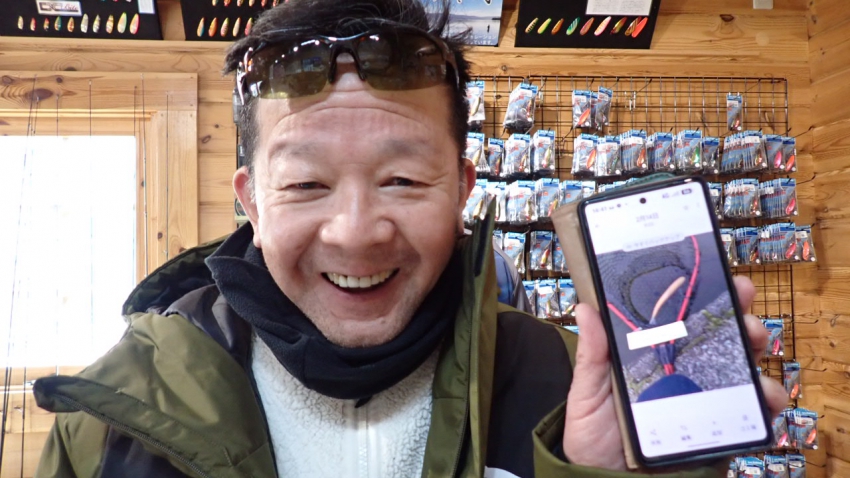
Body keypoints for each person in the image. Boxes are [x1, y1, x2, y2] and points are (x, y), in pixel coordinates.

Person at [33, 1, 786, 477]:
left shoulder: (567, 384)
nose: (357, 233)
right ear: (251, 201)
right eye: (306, 184)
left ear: (461, 189)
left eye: (401, 179)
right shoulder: (112, 419)